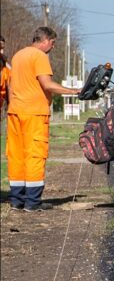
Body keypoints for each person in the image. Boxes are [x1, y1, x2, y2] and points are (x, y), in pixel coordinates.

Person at [6, 28, 80, 212]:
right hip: (34, 113)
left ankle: (16, 200)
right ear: (45, 40)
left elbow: (10, 85)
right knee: (35, 155)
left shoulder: (18, 55)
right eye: (53, 43)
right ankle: (32, 202)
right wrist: (73, 91)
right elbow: (46, 84)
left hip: (15, 111)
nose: (53, 47)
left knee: (17, 155)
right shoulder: (39, 56)